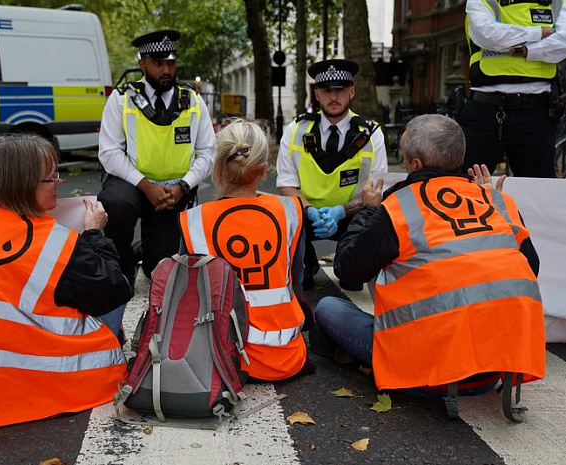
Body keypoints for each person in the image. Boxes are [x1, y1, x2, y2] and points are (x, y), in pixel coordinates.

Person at [314, 114, 545, 406]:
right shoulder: (498, 202)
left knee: (329, 308)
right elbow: (531, 269)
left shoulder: (400, 206)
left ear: (415, 165)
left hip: (425, 374)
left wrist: (368, 211)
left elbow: (348, 268)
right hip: (494, 371)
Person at [0, 134, 132, 436]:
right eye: (50, 177)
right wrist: (94, 234)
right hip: (31, 379)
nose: (59, 182)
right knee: (106, 288)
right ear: (23, 184)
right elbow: (116, 289)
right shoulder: (55, 241)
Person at [179, 121, 314, 382]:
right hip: (286, 357)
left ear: (218, 170)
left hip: (222, 358)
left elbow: (188, 296)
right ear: (264, 170)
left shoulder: (194, 220)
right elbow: (296, 280)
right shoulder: (290, 211)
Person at [97, 29, 216, 290]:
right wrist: (145, 186)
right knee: (116, 203)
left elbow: (208, 152)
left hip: (175, 190)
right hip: (133, 186)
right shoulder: (121, 99)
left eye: (171, 63)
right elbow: (109, 152)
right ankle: (122, 271)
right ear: (142, 63)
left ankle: (146, 250)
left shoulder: (193, 101)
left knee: (158, 270)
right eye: (158, 63)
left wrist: (183, 187)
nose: (166, 70)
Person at [276, 58, 388, 291]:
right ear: (316, 94)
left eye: (340, 89)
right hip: (308, 217)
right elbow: (286, 186)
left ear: (352, 91)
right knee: (301, 282)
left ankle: (348, 262)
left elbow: (377, 192)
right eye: (326, 90)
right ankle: (307, 264)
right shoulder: (296, 130)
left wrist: (342, 212)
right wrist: (311, 211)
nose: (333, 96)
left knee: (352, 279)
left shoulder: (371, 133)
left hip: (352, 217)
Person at [461, 0, 566, 178]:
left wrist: (525, 50)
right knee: (467, 188)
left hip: (536, 113)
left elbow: (563, 43)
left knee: (537, 192)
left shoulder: (557, 2)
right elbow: (488, 34)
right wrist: (539, 33)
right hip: (485, 111)